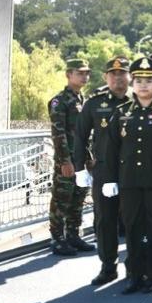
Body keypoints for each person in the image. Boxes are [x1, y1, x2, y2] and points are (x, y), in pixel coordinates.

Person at [107, 56, 152, 292]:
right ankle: (134, 273)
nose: (143, 85)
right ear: (133, 83)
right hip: (129, 181)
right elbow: (111, 149)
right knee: (132, 226)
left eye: (149, 80)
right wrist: (110, 179)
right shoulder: (122, 112)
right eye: (139, 80)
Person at [74, 52, 131, 282]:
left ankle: (136, 266)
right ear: (106, 77)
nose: (118, 78)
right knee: (105, 220)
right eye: (113, 74)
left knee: (135, 220)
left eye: (122, 73)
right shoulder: (95, 103)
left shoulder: (138, 102)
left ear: (129, 77)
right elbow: (80, 136)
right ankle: (108, 266)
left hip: (133, 171)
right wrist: (79, 168)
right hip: (105, 170)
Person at [47, 55, 92, 254]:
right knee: (61, 199)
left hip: (81, 160)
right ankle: (57, 239)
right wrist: (65, 161)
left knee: (78, 198)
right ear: (68, 75)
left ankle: (73, 235)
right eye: (80, 73)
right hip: (67, 160)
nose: (84, 77)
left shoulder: (83, 100)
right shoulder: (60, 101)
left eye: (87, 73)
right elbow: (58, 133)